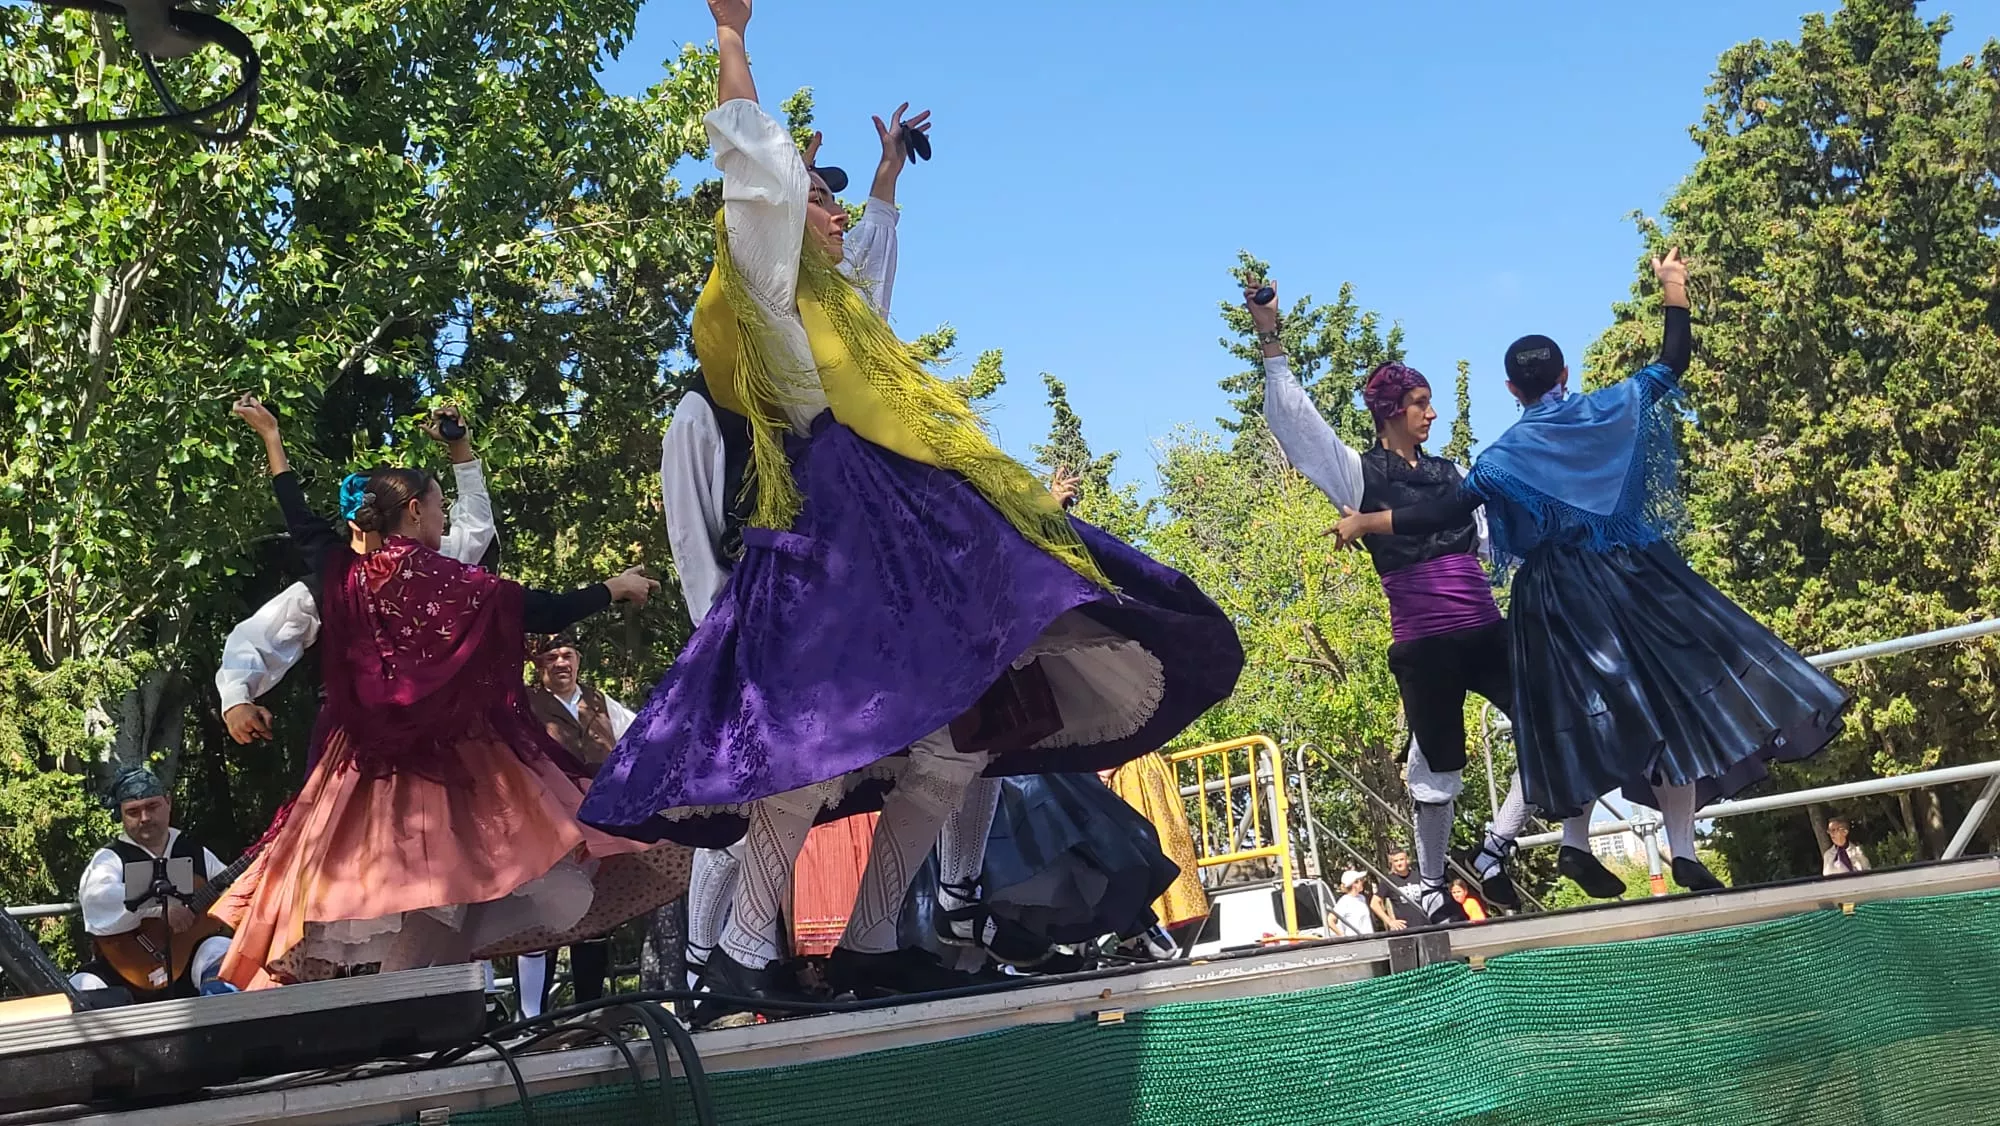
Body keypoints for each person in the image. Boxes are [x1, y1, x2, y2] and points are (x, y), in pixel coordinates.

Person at [583, 0, 1242, 1007]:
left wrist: (881, 182)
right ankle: (737, 951)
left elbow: (866, 276)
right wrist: (730, 41)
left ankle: (874, 939)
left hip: (903, 556)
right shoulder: (756, 301)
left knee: (951, 749)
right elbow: (756, 186)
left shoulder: (844, 318)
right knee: (801, 763)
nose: (833, 210)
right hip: (815, 561)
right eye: (821, 199)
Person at [1333, 250, 1850, 893]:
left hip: (1552, 596)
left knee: (1570, 718)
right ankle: (1682, 848)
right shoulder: (1614, 408)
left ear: (1511, 392)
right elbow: (1672, 361)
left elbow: (1444, 509)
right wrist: (1673, 287)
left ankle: (1575, 844)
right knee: (1669, 701)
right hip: (1633, 579)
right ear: (1565, 374)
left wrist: (1367, 523)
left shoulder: (1502, 456)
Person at [211, 396, 688, 988]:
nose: (446, 520)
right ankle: (394, 1013)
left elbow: (308, 525)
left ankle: (408, 1015)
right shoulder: (446, 580)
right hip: (438, 763)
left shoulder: (345, 572)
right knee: (446, 888)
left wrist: (274, 444)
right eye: (437, 507)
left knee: (445, 896)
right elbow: (533, 604)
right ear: (413, 512)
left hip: (364, 768)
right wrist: (611, 588)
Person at [1249, 279, 1533, 917]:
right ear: (1391, 413)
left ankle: (1495, 848)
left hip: (1487, 630)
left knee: (1554, 722)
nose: (1430, 414)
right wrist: (1271, 337)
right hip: (1426, 641)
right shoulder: (1359, 473)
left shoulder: (1455, 472)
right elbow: (1299, 425)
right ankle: (1431, 886)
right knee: (1437, 767)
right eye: (1421, 404)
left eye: (1431, 403)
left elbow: (1494, 540)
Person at [216, 406, 496, 750]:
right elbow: (254, 639)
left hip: (440, 738)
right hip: (357, 748)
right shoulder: (332, 583)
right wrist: (236, 699)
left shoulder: (434, 565)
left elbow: (477, 530)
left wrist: (460, 447)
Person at [516, 636, 640, 1016]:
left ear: (578, 661)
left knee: (594, 919)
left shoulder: (601, 703)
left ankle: (590, 1011)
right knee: (544, 922)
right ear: (539, 666)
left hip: (599, 827)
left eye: (567, 655)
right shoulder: (526, 707)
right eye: (551, 657)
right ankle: (532, 1018)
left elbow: (637, 741)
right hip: (550, 828)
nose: (560, 663)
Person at [69, 767, 234, 999]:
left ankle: (224, 1030)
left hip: (188, 963)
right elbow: (98, 898)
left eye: (152, 807)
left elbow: (233, 890)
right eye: (133, 812)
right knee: (79, 989)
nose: (145, 818)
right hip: (124, 969)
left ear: (168, 802)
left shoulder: (194, 851)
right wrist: (160, 910)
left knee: (225, 953)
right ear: (121, 816)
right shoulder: (111, 858)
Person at [1368, 848, 1429, 932]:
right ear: (1392, 863)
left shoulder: (1419, 875)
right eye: (1396, 861)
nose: (1399, 863)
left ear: (1407, 860)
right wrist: (1390, 921)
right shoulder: (1389, 881)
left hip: (1427, 925)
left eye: (1401, 859)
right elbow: (1374, 903)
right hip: (1404, 929)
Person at [1332, 871, 1374, 938]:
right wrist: (1342, 936)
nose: (1362, 882)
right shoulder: (1344, 901)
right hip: (1355, 941)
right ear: (1354, 884)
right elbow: (1330, 920)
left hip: (1368, 938)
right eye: (1360, 880)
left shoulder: (1362, 898)